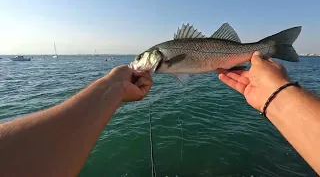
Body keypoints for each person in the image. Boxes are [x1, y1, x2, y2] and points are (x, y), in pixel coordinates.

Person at [0, 51, 319, 176]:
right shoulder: (160, 63)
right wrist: (279, 97)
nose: (138, 61)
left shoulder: (162, 58)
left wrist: (110, 89)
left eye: (142, 57)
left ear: (154, 57)